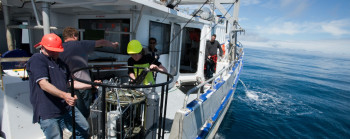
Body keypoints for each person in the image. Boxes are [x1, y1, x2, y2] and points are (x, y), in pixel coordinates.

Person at [27, 33, 89, 138]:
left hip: (66, 108)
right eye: (52, 50)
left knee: (83, 128)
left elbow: (69, 83)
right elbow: (43, 83)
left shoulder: (61, 64)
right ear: (42, 47)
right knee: (55, 137)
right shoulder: (37, 59)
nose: (56, 53)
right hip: (48, 111)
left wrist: (91, 85)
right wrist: (65, 95)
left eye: (57, 51)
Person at [59, 27, 118, 119]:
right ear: (74, 36)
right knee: (84, 112)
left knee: (73, 110)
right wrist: (113, 44)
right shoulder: (81, 44)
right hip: (84, 84)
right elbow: (102, 42)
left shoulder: (59, 48)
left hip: (69, 84)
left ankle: (75, 128)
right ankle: (83, 129)